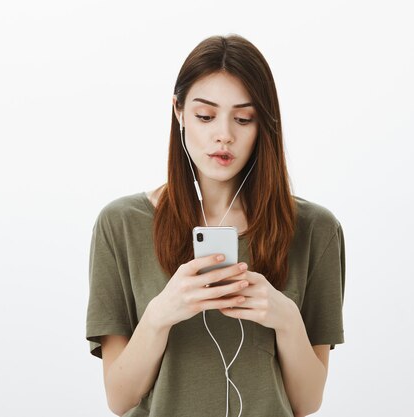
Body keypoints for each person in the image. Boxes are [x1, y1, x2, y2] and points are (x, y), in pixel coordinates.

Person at [85, 33, 346, 417]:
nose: (224, 133)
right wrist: (161, 314)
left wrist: (286, 319)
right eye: (205, 116)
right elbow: (119, 399)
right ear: (179, 112)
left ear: (264, 124)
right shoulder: (120, 225)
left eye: (244, 118)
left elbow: (307, 403)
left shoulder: (315, 230)